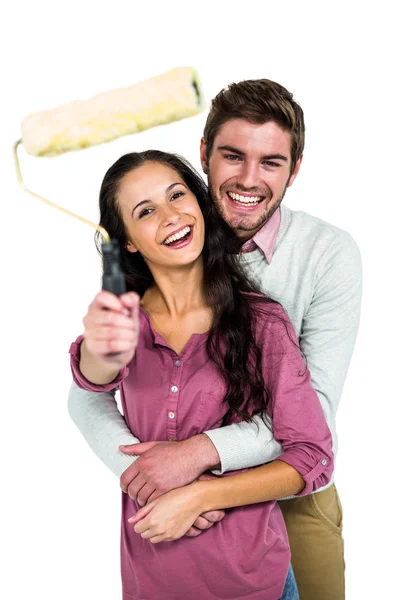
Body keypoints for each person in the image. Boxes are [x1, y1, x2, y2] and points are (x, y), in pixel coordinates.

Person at [68, 79, 362, 599]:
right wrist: (150, 477)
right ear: (204, 154)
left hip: (289, 495)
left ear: (294, 169)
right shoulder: (158, 260)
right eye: (232, 156)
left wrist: (196, 468)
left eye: (271, 162)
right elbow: (90, 389)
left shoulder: (324, 258)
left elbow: (311, 428)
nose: (249, 178)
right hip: (165, 543)